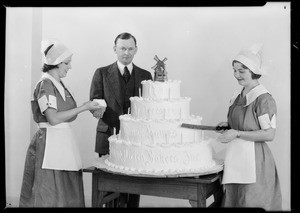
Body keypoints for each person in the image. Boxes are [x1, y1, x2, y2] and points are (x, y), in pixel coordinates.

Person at [19, 39, 102, 207]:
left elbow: (65, 113)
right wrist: (83, 107)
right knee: (49, 193)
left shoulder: (59, 84)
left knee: (66, 191)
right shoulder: (45, 85)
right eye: (66, 63)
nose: (69, 67)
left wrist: (89, 108)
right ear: (55, 64)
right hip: (49, 145)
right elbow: (53, 118)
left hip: (63, 142)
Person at [89, 32, 152, 207]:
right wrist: (122, 125)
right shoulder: (101, 73)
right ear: (115, 49)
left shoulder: (146, 75)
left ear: (136, 50)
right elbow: (95, 103)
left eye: (130, 48)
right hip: (108, 135)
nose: (126, 52)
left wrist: (133, 129)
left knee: (133, 186)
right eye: (122, 48)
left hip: (137, 140)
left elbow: (149, 108)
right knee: (110, 188)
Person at [216, 44, 282, 210]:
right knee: (234, 201)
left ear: (253, 71)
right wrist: (227, 125)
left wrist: (236, 133)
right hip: (235, 160)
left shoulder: (263, 99)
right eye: (234, 70)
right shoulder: (237, 96)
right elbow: (242, 124)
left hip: (255, 163)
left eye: (241, 71)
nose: (236, 75)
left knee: (252, 203)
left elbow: (269, 134)